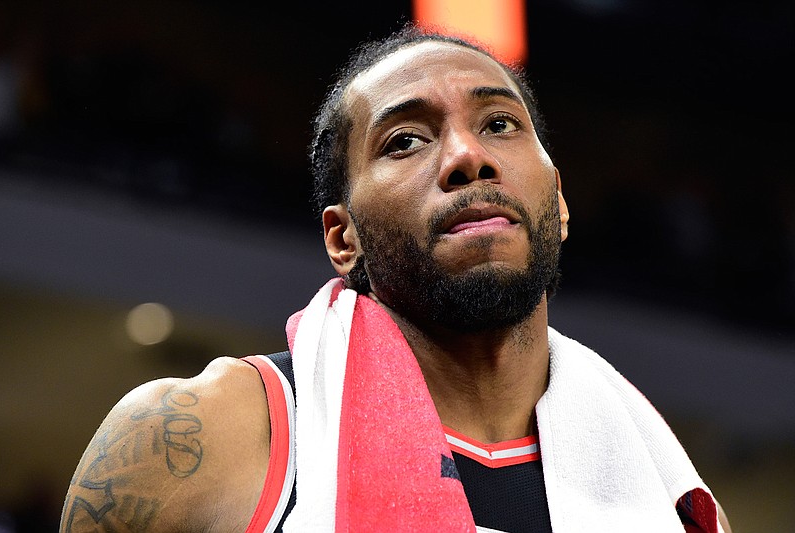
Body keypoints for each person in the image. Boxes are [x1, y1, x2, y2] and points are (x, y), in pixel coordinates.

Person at [60, 24, 732, 533]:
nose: (468, 156)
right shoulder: (202, 438)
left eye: (499, 124)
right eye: (405, 140)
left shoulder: (669, 495)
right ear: (342, 238)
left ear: (557, 203)